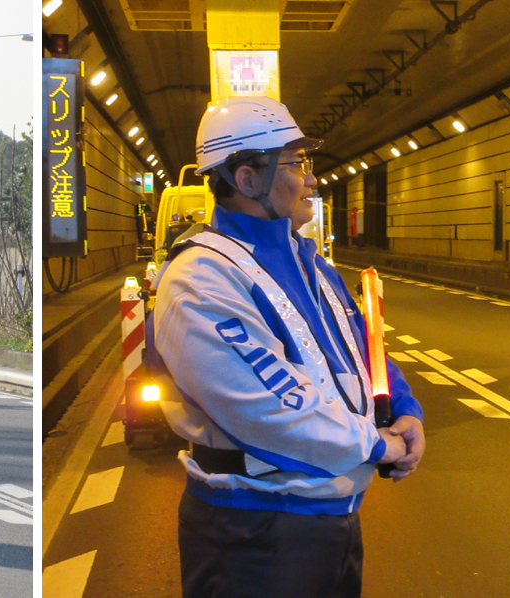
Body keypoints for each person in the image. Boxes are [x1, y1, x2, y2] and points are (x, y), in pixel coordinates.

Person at [150, 95, 425, 598]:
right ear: (248, 179)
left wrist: (405, 411)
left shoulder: (308, 261)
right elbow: (267, 407)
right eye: (298, 163)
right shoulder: (201, 277)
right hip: (252, 536)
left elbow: (363, 345)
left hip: (329, 521)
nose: (313, 179)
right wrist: (375, 445)